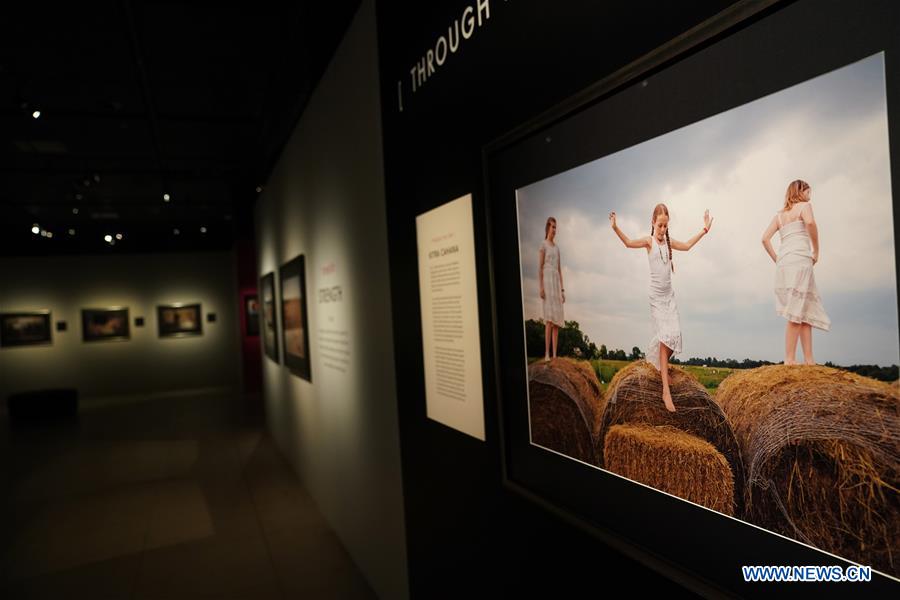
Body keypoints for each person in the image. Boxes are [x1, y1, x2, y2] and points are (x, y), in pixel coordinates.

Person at [609, 204, 712, 412]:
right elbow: (629, 243)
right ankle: (666, 391)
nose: (663, 229)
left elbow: (689, 245)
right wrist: (615, 227)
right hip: (656, 299)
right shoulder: (649, 242)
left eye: (666, 226)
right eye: (660, 225)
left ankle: (662, 369)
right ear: (653, 223)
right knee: (665, 339)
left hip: (669, 298)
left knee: (674, 338)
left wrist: (704, 229)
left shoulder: (669, 243)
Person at [761, 179, 830, 364]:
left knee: (804, 309)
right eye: (808, 191)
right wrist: (816, 251)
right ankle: (789, 360)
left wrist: (778, 259)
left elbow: (765, 239)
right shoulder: (805, 206)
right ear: (801, 191)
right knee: (796, 310)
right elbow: (811, 224)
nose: (810, 195)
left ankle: (809, 359)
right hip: (800, 259)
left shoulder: (780, 215)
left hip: (785, 263)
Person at [539, 217, 565, 361]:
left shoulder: (557, 248)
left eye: (556, 227)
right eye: (553, 227)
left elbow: (560, 270)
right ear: (547, 228)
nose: (554, 230)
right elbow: (540, 267)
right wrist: (541, 287)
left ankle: (555, 355)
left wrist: (562, 290)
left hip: (555, 281)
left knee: (556, 321)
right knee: (549, 319)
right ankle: (547, 353)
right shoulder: (543, 245)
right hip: (547, 280)